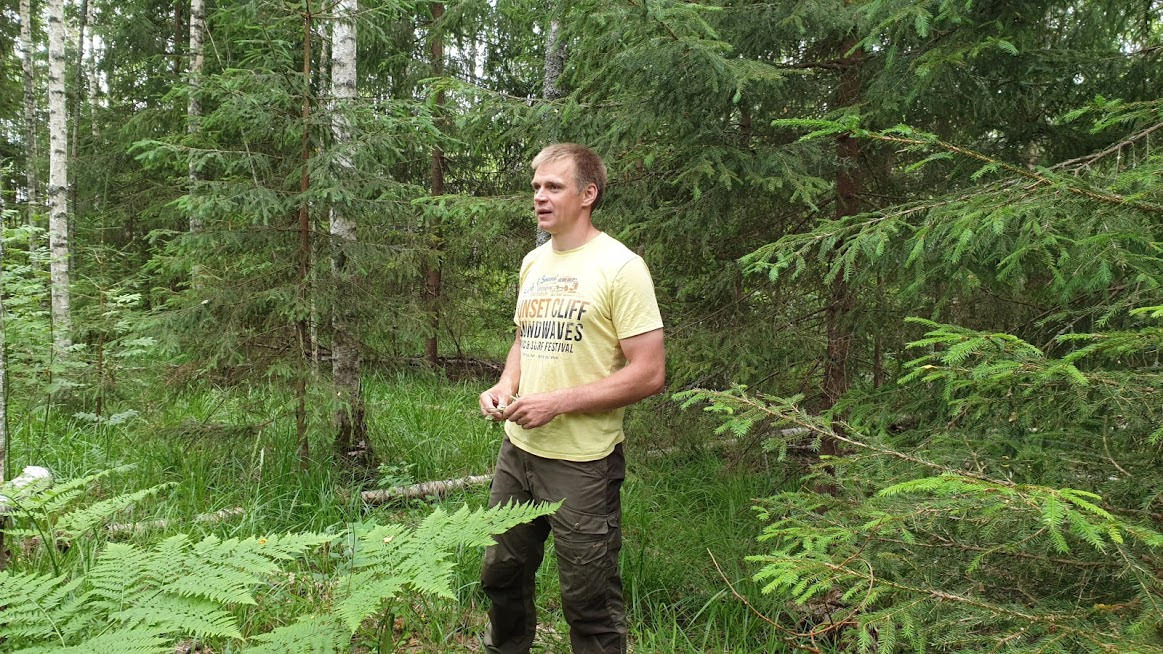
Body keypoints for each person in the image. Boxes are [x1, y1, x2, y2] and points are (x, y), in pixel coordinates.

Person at [478, 143, 665, 654]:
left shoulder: (620, 267)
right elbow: (525, 337)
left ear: (588, 194)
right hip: (517, 452)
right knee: (501, 574)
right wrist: (505, 386)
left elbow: (648, 373)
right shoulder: (533, 262)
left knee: (588, 599)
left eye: (553, 187)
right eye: (536, 186)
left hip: (583, 461)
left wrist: (555, 403)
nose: (540, 196)